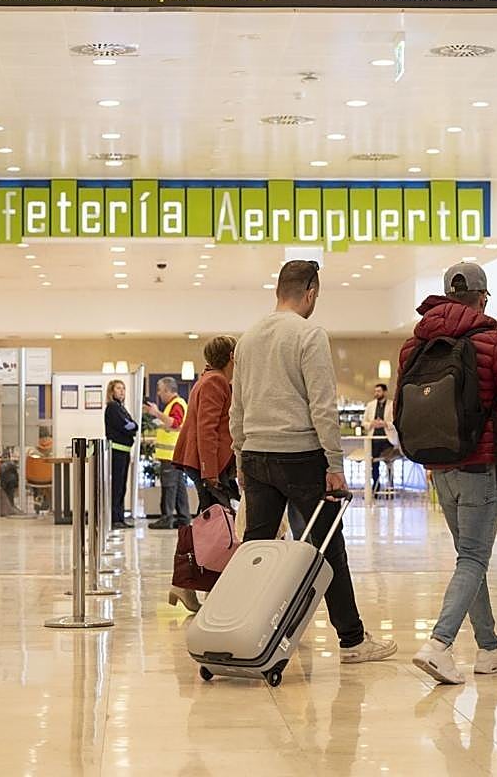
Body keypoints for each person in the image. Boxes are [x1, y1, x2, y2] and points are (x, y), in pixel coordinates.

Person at [230, 260, 398, 665]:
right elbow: (322, 405)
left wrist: (240, 456)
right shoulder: (309, 334)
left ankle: (244, 632)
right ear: (309, 293)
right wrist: (335, 463)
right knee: (327, 547)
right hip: (300, 456)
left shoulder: (248, 338)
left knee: (256, 549)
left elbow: (237, 408)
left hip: (255, 455)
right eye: (316, 297)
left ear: (277, 292)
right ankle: (353, 640)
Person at [398, 261, 497, 685]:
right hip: (479, 467)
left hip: (439, 467)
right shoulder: (493, 343)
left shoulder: (412, 347)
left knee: (469, 557)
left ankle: (490, 649)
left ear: (448, 296)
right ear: (483, 297)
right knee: (472, 558)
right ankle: (439, 645)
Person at [167, 335, 239, 613]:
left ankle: (186, 584)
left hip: (206, 464)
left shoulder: (210, 379)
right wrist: (211, 472)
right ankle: (188, 583)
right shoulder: (215, 382)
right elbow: (207, 430)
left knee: (211, 525)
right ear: (231, 355)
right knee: (216, 529)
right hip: (208, 465)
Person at [146, 377, 191, 530]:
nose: (158, 394)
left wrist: (157, 413)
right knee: (178, 487)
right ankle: (184, 518)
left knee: (169, 486)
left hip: (171, 454)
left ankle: (167, 518)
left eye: (160, 390)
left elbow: (175, 423)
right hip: (175, 453)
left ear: (166, 390)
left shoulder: (176, 404)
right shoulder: (176, 404)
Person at [104, 379, 138, 529]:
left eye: (123, 388)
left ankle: (120, 517)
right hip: (117, 451)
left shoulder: (121, 408)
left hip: (124, 451)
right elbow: (126, 426)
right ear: (112, 391)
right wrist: (130, 425)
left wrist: (131, 425)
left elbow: (134, 425)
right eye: (118, 388)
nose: (122, 391)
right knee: (117, 487)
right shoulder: (113, 407)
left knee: (122, 486)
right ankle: (115, 518)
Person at [363, 383, 393, 494]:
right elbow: (364, 423)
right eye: (375, 391)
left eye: (379, 391)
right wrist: (372, 424)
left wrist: (385, 424)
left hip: (387, 440)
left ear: (385, 392)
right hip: (373, 439)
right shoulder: (370, 405)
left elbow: (395, 423)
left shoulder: (391, 405)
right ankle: (376, 487)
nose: (376, 393)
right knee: (374, 464)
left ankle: (390, 486)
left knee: (389, 463)